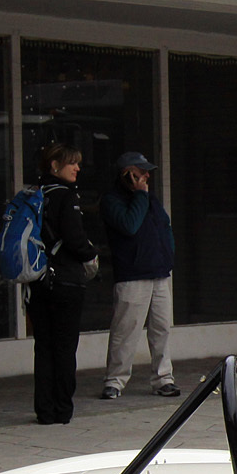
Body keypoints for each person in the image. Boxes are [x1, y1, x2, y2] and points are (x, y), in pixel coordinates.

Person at [99, 150, 178, 400]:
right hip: (132, 274)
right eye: (140, 172)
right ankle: (115, 380)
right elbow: (129, 225)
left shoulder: (149, 199)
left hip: (159, 272)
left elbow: (164, 226)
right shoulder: (113, 200)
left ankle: (163, 378)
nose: (146, 176)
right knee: (126, 330)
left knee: (162, 328)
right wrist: (139, 195)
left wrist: (168, 255)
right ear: (128, 175)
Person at [28, 143, 97, 425]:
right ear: (54, 165)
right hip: (66, 281)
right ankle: (62, 409)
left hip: (39, 280)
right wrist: (92, 255)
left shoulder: (35, 194)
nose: (77, 168)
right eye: (72, 163)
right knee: (65, 347)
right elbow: (74, 238)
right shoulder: (66, 197)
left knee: (43, 346)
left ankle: (44, 410)